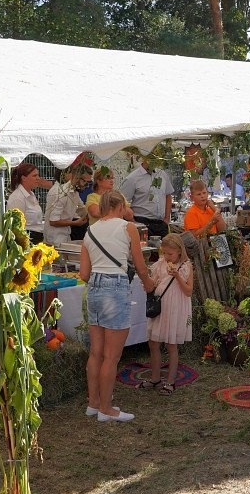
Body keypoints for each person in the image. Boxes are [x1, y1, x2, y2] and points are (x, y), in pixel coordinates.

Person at [79, 191, 155, 422]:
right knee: (112, 357)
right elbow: (140, 266)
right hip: (116, 286)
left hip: (94, 287)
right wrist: (149, 284)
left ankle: (93, 403)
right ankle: (106, 408)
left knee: (96, 353)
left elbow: (84, 273)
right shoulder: (127, 227)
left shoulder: (89, 231)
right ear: (120, 206)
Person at [141, 234, 194, 394]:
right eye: (164, 253)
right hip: (160, 306)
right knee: (153, 342)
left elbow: (188, 291)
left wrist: (177, 276)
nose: (167, 256)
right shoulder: (160, 264)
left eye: (170, 254)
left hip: (175, 307)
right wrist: (148, 285)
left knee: (171, 344)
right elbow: (154, 282)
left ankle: (170, 381)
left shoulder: (186, 266)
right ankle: (155, 378)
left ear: (179, 251)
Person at [120, 157, 174, 239]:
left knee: (163, 250)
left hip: (161, 223)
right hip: (141, 222)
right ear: (144, 158)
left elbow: (168, 195)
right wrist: (133, 222)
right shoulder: (132, 178)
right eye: (152, 157)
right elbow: (122, 203)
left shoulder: (162, 175)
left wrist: (166, 219)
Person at [6, 162, 52, 244]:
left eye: (38, 175)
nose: (38, 178)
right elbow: (15, 226)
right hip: (26, 241)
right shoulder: (17, 197)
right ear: (23, 178)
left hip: (37, 239)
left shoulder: (31, 194)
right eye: (34, 176)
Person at [44, 165, 90, 245]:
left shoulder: (74, 192)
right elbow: (53, 221)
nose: (86, 185)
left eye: (88, 182)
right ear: (75, 177)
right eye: (85, 181)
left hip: (65, 237)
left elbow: (82, 210)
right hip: (54, 240)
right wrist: (75, 223)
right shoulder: (62, 193)